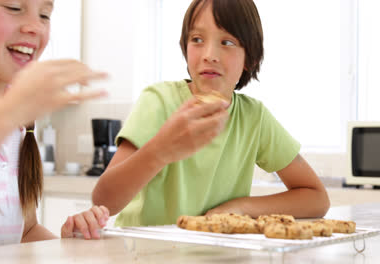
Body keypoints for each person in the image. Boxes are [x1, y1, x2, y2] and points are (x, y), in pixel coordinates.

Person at [92, 0, 330, 227]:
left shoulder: (254, 118)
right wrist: (161, 150)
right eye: (197, 39)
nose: (209, 54)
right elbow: (104, 200)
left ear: (251, 58)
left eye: (227, 42)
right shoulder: (158, 102)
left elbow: (317, 198)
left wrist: (241, 206)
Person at [0, 0, 110, 247]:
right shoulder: (9, 117)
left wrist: (68, 246)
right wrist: (10, 111)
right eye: (13, 7)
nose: (36, 27)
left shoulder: (18, 129)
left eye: (45, 15)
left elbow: (25, 231)